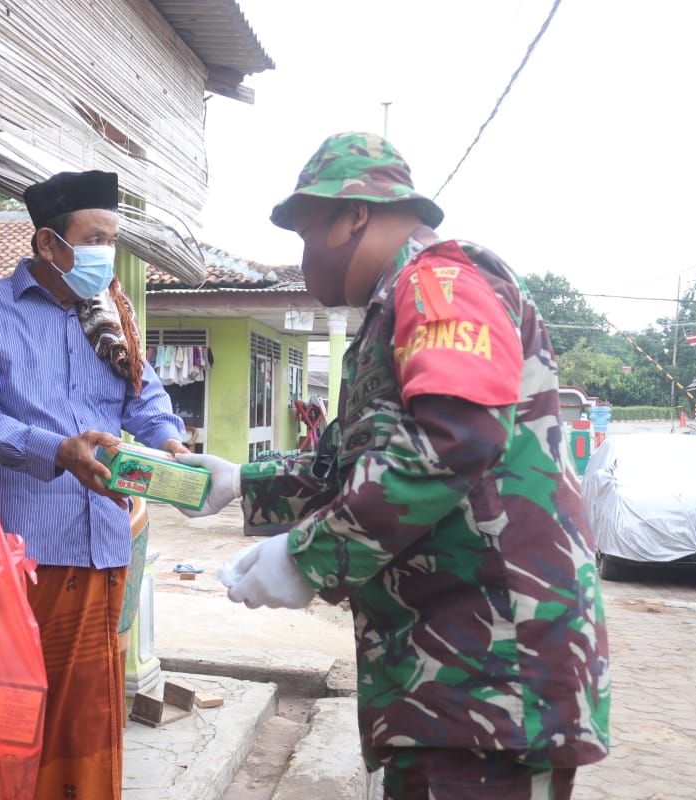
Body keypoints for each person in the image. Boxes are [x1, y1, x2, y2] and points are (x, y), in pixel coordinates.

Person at [179, 133, 610, 799]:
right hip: (455, 675)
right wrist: (241, 484)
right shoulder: (393, 308)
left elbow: (453, 440)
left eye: (306, 234)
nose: (304, 258)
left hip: (490, 676)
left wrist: (309, 558)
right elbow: (357, 462)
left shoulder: (440, 285)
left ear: (353, 216)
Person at [0, 170, 187, 799]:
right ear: (49, 244)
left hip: (105, 541)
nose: (108, 252)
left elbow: (145, 397)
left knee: (89, 721)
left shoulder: (112, 313)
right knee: (15, 717)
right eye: (96, 237)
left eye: (113, 238)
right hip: (25, 552)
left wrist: (171, 442)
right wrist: (56, 450)